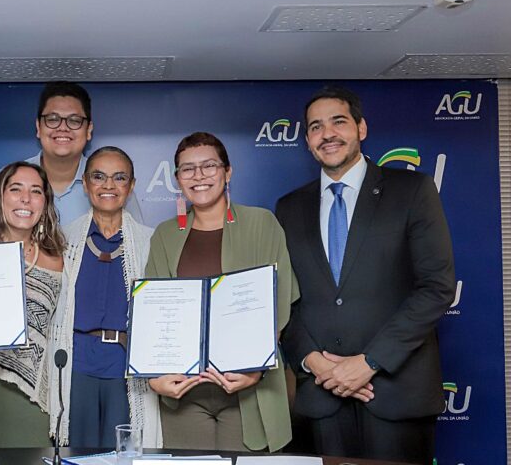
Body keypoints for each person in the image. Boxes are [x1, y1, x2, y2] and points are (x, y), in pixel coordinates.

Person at [275, 86, 455, 465]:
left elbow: (436, 288)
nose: (328, 134)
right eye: (315, 127)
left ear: (361, 128)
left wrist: (369, 362)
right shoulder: (289, 207)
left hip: (395, 393)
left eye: (338, 122)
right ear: (307, 140)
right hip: (322, 400)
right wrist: (314, 362)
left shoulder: (412, 190)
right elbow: (283, 299)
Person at [143, 132, 298, 452]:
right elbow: (152, 314)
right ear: (177, 179)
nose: (198, 176)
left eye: (209, 166)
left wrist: (255, 369)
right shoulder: (165, 235)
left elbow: (279, 304)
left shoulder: (262, 223)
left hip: (249, 389)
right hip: (186, 393)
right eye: (187, 169)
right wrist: (154, 377)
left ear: (228, 172)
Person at [49, 146, 157, 448]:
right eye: (99, 177)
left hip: (124, 369)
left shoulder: (151, 241)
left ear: (131, 186)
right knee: (78, 455)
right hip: (75, 364)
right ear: (85, 184)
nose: (108, 185)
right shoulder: (62, 239)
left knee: (123, 456)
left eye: (119, 177)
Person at [0, 161, 66, 448]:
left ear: (45, 202)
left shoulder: (58, 257)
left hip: (31, 389)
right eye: (15, 189)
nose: (25, 199)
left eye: (36, 191)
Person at [0, 81, 142, 226]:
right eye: (53, 119)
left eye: (74, 121)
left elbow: (137, 247)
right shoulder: (5, 180)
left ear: (88, 130)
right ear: (38, 127)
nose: (62, 128)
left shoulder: (113, 188)